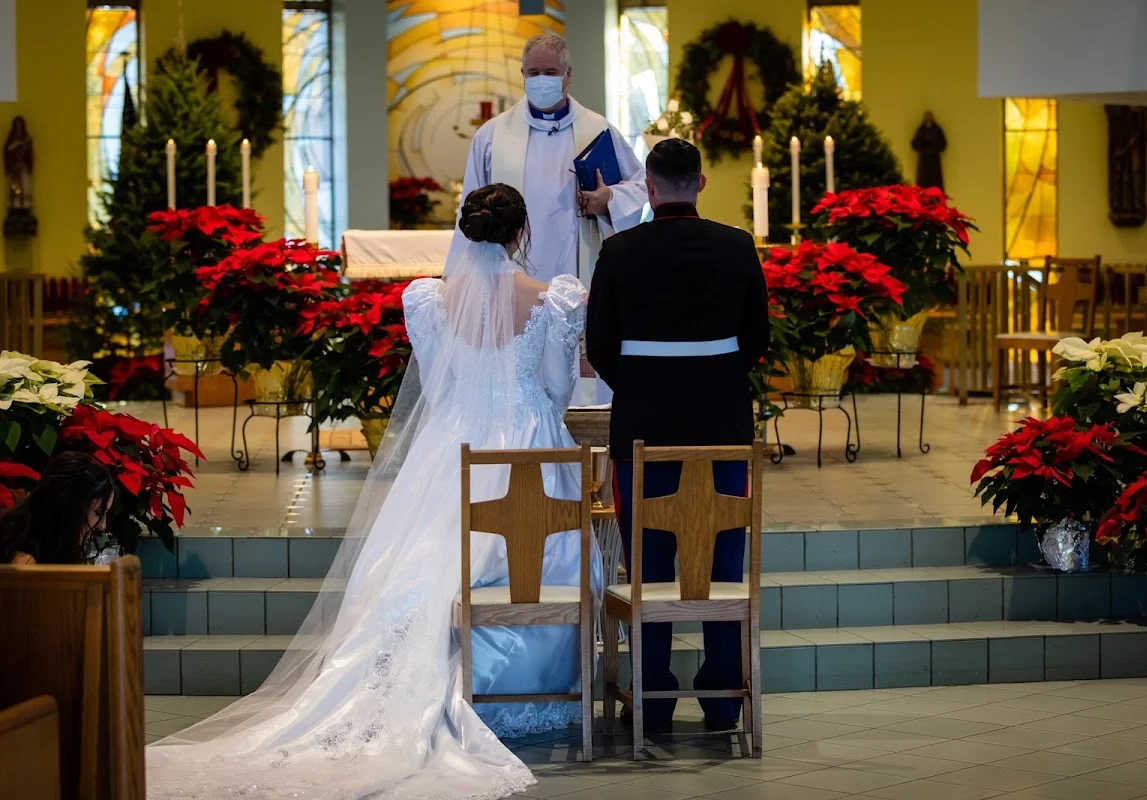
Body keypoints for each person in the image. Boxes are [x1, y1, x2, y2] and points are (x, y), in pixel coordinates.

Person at [146, 183, 600, 800]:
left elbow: (439, 390)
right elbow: (556, 388)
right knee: (541, 555)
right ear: (521, 235)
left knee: (425, 563)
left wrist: (471, 414)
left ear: (466, 234)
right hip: (529, 448)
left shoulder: (432, 301)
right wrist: (524, 410)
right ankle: (525, 690)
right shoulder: (554, 300)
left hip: (452, 449)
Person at [585, 139, 769, 732]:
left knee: (650, 560)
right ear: (702, 182)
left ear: (652, 187)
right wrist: (711, 377)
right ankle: (720, 699)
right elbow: (757, 339)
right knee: (722, 557)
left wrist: (642, 383)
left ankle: (655, 700)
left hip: (642, 422)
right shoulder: (737, 246)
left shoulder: (617, 250)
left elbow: (600, 345)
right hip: (722, 424)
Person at [452, 32, 647, 406]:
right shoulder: (492, 135)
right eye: (533, 72)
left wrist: (609, 199)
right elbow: (471, 208)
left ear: (568, 75)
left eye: (551, 71)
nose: (542, 79)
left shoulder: (598, 129)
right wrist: (463, 281)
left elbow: (640, 185)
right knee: (517, 389)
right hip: (509, 278)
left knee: (581, 390)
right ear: (522, 74)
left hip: (581, 269)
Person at [0, 451, 116, 565]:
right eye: (99, 513)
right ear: (70, 508)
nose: (103, 526)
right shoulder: (24, 562)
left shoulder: (57, 547)